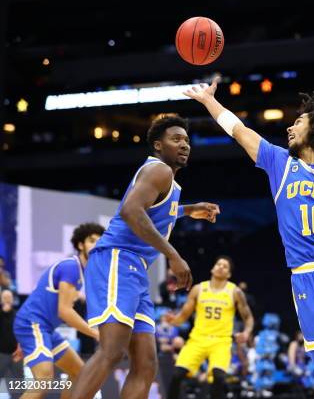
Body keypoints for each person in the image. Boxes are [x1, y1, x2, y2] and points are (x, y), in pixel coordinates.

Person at [184, 78, 314, 398]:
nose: (290, 128)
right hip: (307, 279)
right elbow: (239, 131)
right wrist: (209, 102)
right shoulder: (280, 164)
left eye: (299, 122)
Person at [70, 114, 221, 399]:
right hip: (117, 258)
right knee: (112, 351)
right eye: (175, 139)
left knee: (146, 365)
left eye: (187, 140)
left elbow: (153, 211)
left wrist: (188, 209)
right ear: (157, 145)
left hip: (135, 268)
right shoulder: (158, 170)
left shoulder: (170, 184)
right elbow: (130, 211)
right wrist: (173, 256)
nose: (184, 145)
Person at [12, 223, 104, 398]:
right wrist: (94, 333)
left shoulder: (79, 271)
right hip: (33, 324)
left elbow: (39, 297)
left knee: (80, 373)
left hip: (43, 329)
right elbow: (65, 312)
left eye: (100, 241)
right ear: (80, 245)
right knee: (44, 379)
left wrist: (25, 340)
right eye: (92, 240)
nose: (96, 244)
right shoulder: (71, 267)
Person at [165, 255, 254, 399]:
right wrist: (173, 320)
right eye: (218, 264)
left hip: (221, 341)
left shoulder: (235, 292)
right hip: (198, 339)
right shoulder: (198, 289)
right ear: (212, 268)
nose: (220, 267)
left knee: (219, 377)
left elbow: (248, 317)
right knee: (177, 375)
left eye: (225, 266)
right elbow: (183, 316)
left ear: (229, 274)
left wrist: (247, 332)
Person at [0, 289, 22, 398]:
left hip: (16, 354)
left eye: (9, 297)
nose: (7, 300)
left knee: (20, 382)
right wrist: (3, 312)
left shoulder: (18, 315)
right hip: (1, 354)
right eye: (5, 297)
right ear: (1, 300)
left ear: (13, 300)